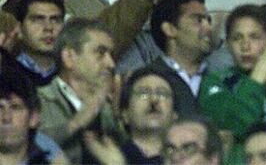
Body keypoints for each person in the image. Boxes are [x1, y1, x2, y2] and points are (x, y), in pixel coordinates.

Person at [198, 4, 266, 140]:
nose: (245, 46)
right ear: (227, 44)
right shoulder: (213, 82)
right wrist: (262, 68)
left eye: (255, 37)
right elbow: (237, 126)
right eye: (237, 38)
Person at [37, 18, 120, 163]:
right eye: (100, 53)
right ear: (69, 57)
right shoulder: (36, 100)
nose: (111, 64)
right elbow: (21, 147)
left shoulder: (107, 107)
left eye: (111, 55)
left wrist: (119, 116)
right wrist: (75, 124)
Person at [84, 68, 178, 165]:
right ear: (125, 115)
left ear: (175, 116)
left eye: (162, 94)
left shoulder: (188, 159)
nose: (154, 99)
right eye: (143, 93)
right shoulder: (103, 158)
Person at [148, 0, 212, 114]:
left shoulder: (221, 79)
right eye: (198, 20)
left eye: (209, 21)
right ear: (170, 29)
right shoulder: (146, 80)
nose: (208, 28)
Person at [0, 73, 69, 165]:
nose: (6, 117)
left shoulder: (45, 146)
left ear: (34, 118)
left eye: (15, 107)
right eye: (0, 108)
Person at [15, 0, 64, 86]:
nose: (48, 27)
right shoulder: (6, 76)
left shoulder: (74, 75)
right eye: (38, 19)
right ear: (19, 29)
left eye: (55, 20)